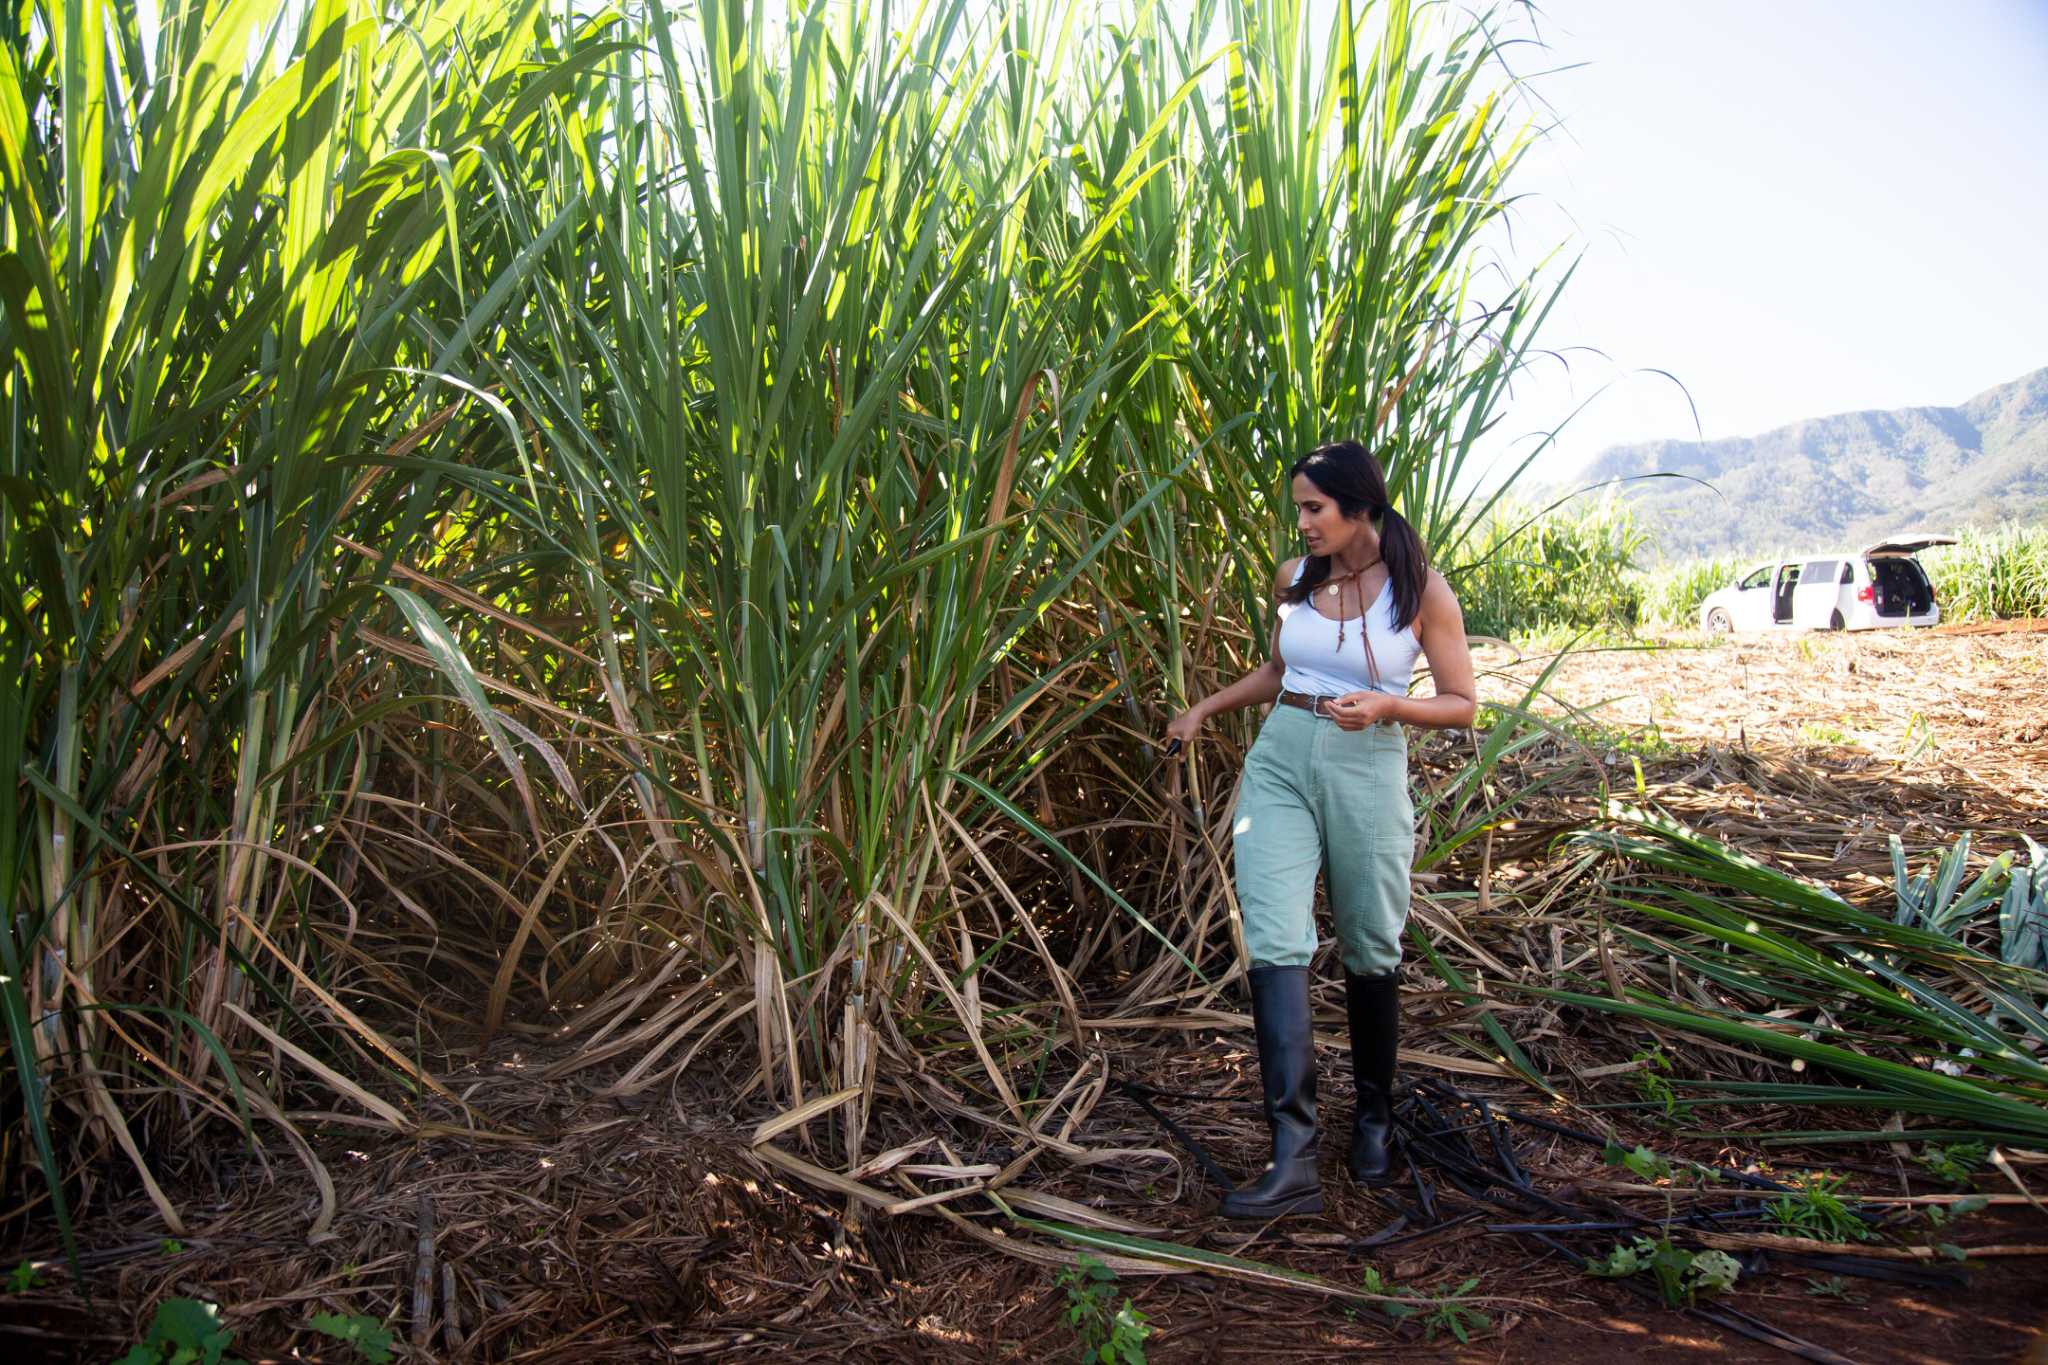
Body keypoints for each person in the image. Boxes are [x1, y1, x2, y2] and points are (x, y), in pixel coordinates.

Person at [1164, 440, 1477, 1218]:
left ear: (1360, 507)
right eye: (1298, 507)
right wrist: (1205, 708)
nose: (1301, 522)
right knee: (1273, 936)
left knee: (1372, 942)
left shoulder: (1420, 590)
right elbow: (1280, 670)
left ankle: (1372, 1123)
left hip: (1366, 760)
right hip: (1281, 755)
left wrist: (1389, 705)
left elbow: (1462, 702)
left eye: (1314, 508)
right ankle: (1293, 1157)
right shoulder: (1295, 579)